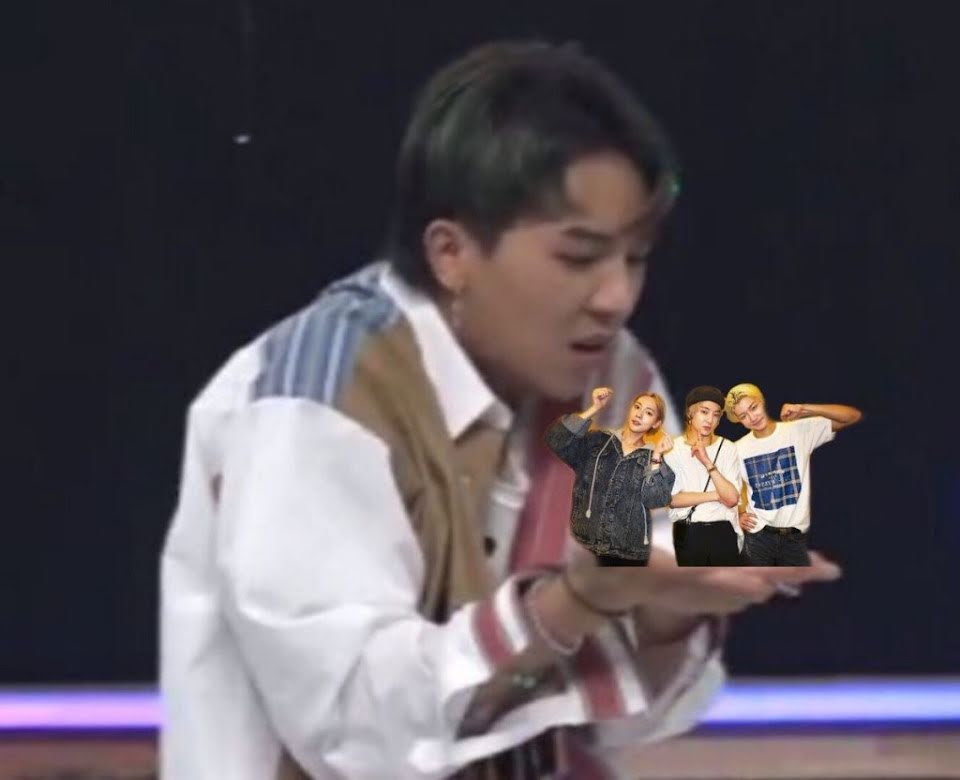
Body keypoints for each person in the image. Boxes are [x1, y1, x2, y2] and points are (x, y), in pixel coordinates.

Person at [160, 41, 843, 780]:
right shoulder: (318, 399)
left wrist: (668, 610)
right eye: (579, 257)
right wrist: (572, 603)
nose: (616, 296)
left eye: (636, 256)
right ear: (451, 253)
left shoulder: (616, 380)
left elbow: (621, 725)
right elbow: (357, 733)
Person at [725, 382, 863, 566]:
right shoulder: (737, 449)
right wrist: (740, 513)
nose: (752, 417)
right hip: (758, 538)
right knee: (757, 584)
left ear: (762, 401)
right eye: (743, 416)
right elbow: (732, 489)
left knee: (798, 583)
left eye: (753, 407)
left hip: (795, 538)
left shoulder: (798, 431)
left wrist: (804, 409)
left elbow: (852, 416)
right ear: (738, 420)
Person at [544, 386, 675, 566]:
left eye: (648, 413)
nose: (639, 414)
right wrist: (594, 408)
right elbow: (557, 440)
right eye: (637, 407)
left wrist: (657, 456)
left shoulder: (655, 461)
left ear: (656, 423)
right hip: (582, 546)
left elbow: (656, 498)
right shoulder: (598, 442)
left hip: (627, 555)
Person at [664, 386, 744, 566]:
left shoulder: (728, 448)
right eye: (704, 412)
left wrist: (707, 462)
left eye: (716, 415)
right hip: (689, 531)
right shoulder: (673, 450)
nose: (710, 420)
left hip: (723, 531)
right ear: (690, 413)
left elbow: (731, 499)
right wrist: (716, 495)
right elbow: (672, 499)